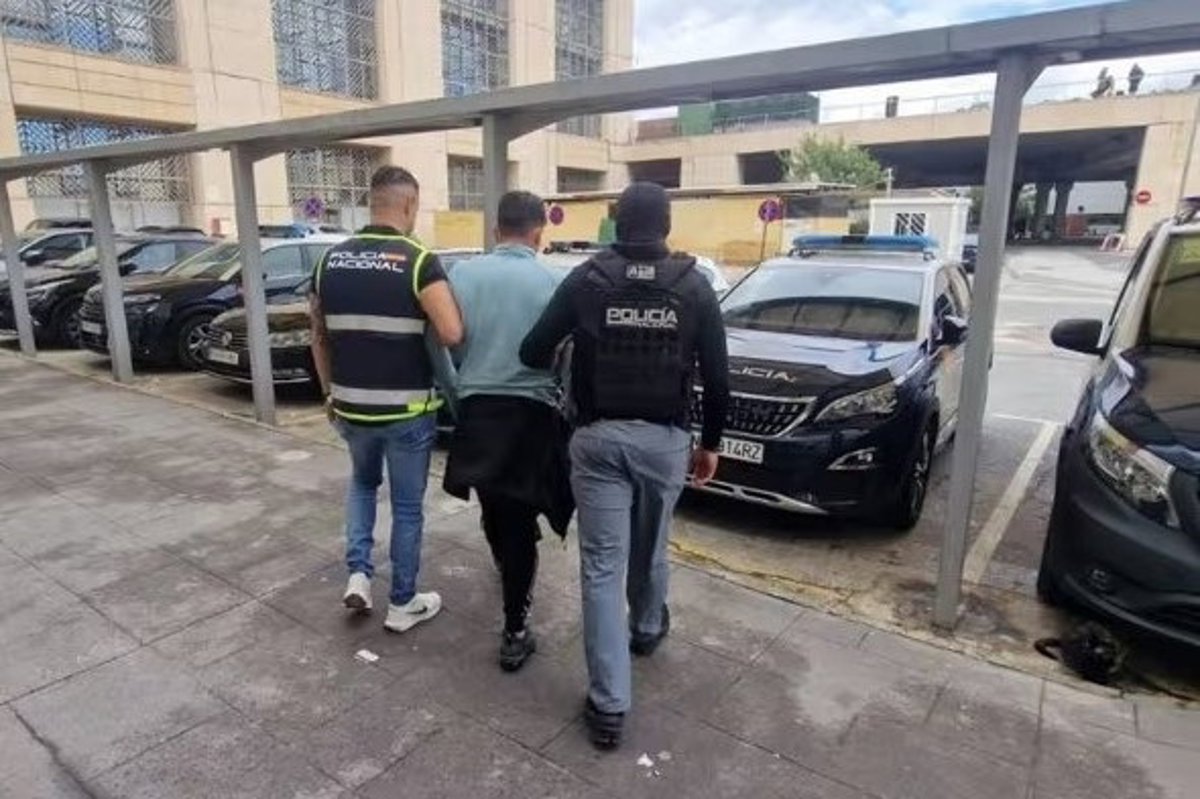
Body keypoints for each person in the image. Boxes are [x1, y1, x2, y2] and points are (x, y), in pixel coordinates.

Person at [520, 182, 731, 750]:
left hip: (597, 440)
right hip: (665, 442)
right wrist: (710, 445)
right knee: (652, 541)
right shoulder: (694, 285)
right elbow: (719, 379)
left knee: (601, 567)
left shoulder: (587, 279)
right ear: (667, 225)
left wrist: (574, 349)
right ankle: (646, 627)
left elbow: (532, 351)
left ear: (617, 223)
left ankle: (609, 704)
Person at [309, 165, 464, 634]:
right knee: (407, 507)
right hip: (406, 411)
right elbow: (451, 332)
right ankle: (402, 601)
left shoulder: (329, 261)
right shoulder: (418, 261)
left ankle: (359, 573)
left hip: (350, 407)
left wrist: (329, 393)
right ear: (409, 204)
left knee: (361, 485)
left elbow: (318, 336)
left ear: (371, 202)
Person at [442, 190, 574, 672]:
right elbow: (566, 358)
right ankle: (515, 629)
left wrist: (458, 394)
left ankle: (508, 566)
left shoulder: (462, 274)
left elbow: (446, 343)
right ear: (539, 232)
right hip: (529, 416)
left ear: (496, 229)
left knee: (495, 508)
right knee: (518, 522)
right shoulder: (553, 280)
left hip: (478, 410)